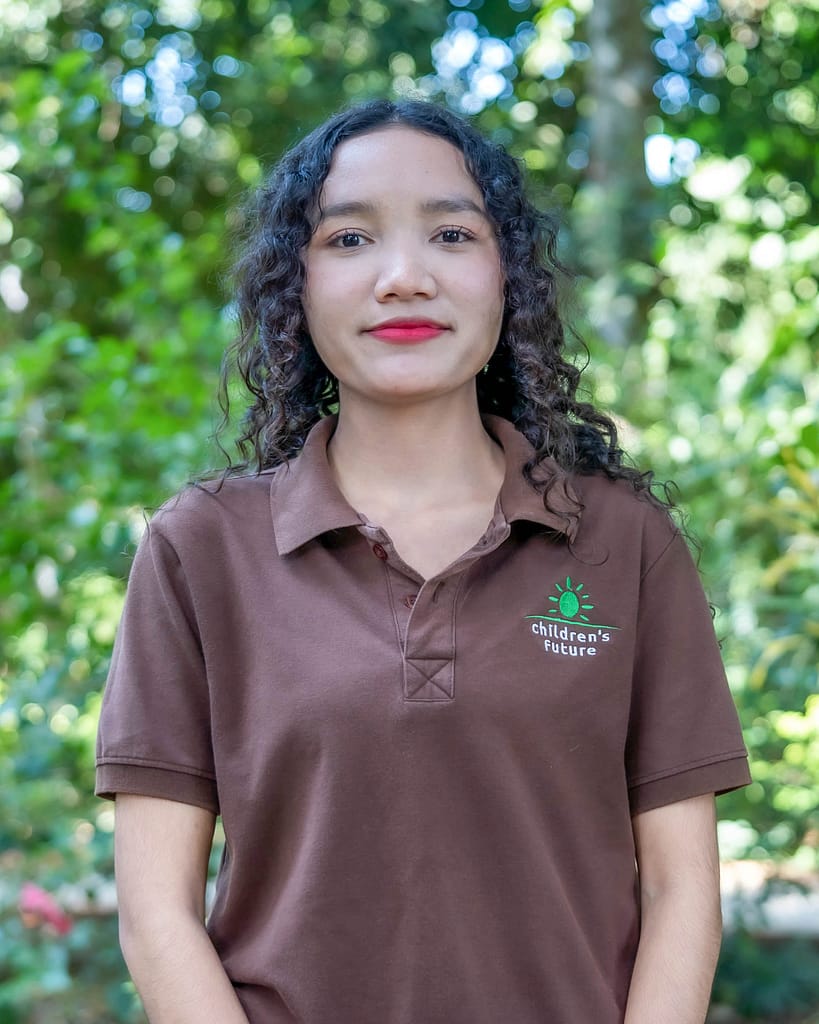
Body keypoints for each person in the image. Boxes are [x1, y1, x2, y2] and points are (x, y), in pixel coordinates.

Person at [95, 99, 751, 1024]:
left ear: (507, 276)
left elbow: (682, 893)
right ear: (295, 285)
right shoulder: (200, 548)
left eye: (450, 234)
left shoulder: (622, 539)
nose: (404, 278)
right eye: (349, 239)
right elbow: (155, 915)